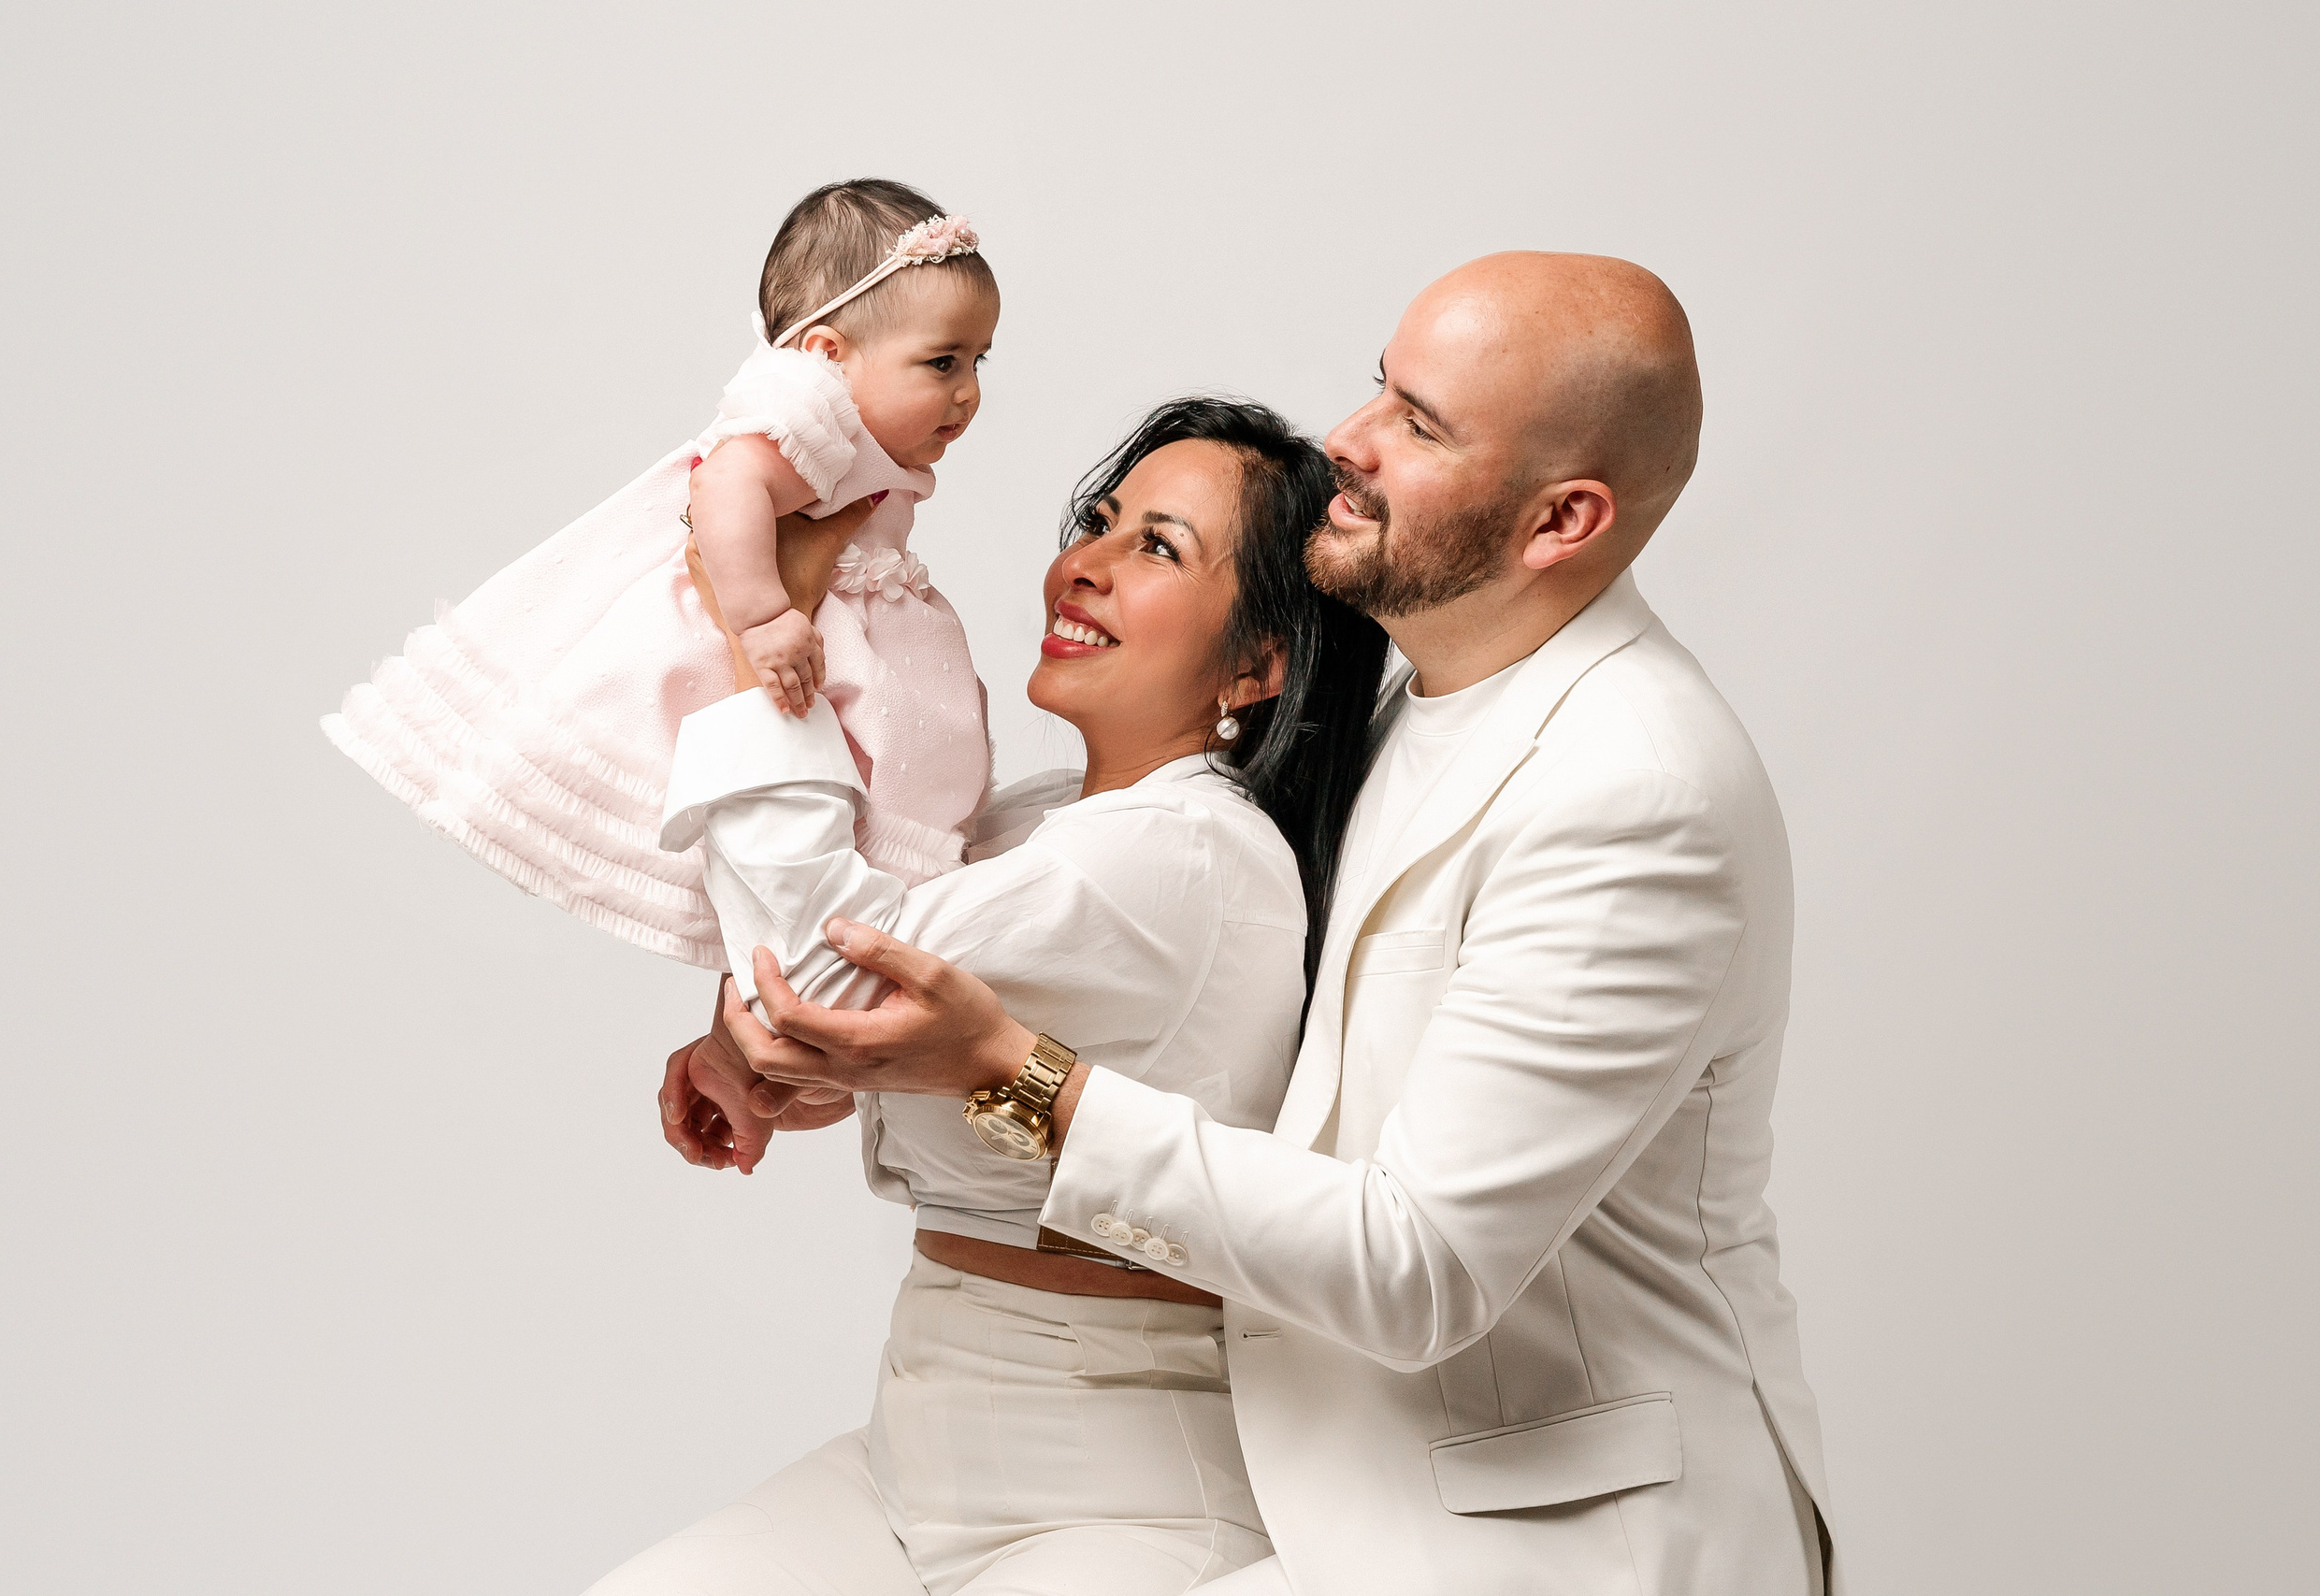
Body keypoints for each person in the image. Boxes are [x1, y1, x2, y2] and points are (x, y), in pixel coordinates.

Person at [695, 253, 1843, 1595]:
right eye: (1379, 387)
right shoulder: (1392, 718)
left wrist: (1009, 1073)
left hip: (1543, 1529)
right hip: (1261, 1453)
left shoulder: (1635, 790)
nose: (1350, 439)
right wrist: (852, 1060)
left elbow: (1418, 1267)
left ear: (1561, 521)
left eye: (1418, 424)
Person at [591, 398, 1392, 1594]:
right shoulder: (1039, 819)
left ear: (1256, 665)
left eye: (1157, 547)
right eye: (1098, 523)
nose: (1085, 565)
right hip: (913, 1442)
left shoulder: (1180, 850)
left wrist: (768, 651)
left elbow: (815, 966)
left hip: (1109, 1490)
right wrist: (772, 1060)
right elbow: (842, 1000)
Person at [322, 178, 999, 971]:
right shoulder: (805, 403)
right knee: (795, 808)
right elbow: (724, 481)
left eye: (978, 360)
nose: (968, 393)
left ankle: (845, 936)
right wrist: (761, 613)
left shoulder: (845, 411)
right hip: (761, 613)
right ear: (825, 354)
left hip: (836, 616)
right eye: (942, 362)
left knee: (847, 813)